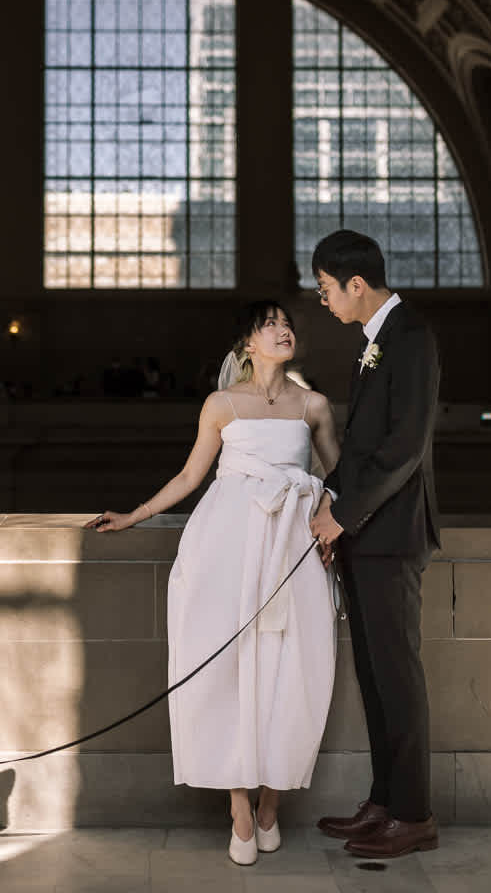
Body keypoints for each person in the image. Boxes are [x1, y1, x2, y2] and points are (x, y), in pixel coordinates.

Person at [88, 301, 340, 866]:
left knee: (293, 667)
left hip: (292, 545)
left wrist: (326, 510)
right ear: (247, 344)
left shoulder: (314, 405)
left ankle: (272, 803)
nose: (284, 330)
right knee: (227, 666)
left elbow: (337, 476)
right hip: (226, 544)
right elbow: (189, 476)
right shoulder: (221, 404)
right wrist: (135, 514)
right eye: (271, 324)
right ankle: (240, 809)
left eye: (287, 323)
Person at [307, 229, 443, 858]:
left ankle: (412, 816)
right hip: (365, 534)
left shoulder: (410, 337)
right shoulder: (375, 341)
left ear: (355, 283)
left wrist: (346, 514)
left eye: (326, 288)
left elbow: (404, 450)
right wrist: (330, 500)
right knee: (373, 676)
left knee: (396, 676)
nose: (323, 301)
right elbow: (363, 450)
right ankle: (383, 802)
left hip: (390, 537)